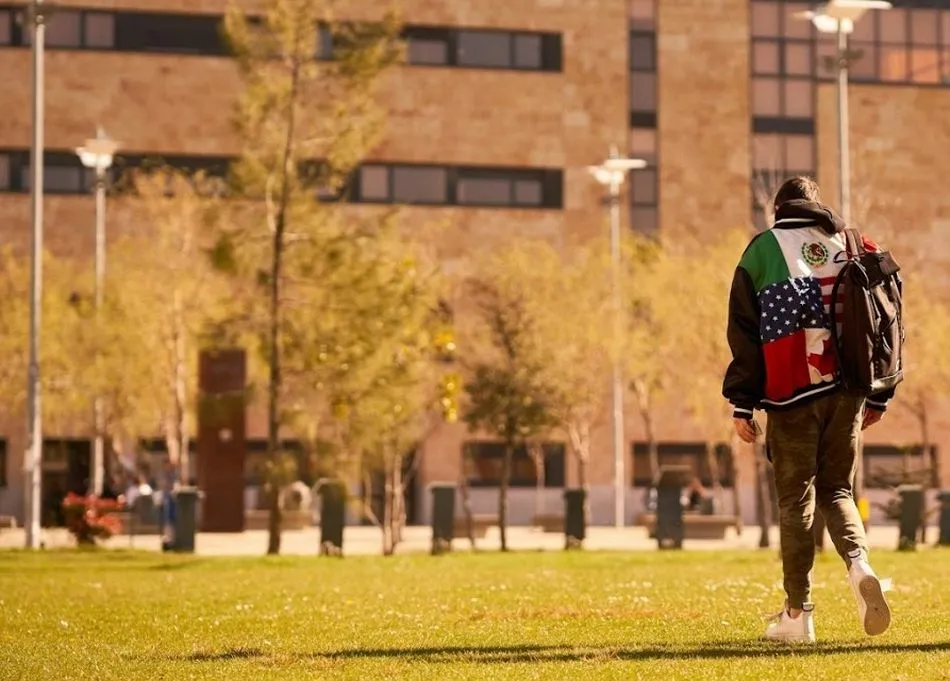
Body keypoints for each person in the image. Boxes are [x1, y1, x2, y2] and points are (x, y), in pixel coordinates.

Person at [722, 176, 893, 643]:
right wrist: (879, 392)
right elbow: (887, 317)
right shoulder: (856, 244)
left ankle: (798, 614)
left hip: (791, 393)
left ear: (778, 208)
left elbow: (744, 332)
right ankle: (860, 566)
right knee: (837, 488)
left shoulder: (762, 250)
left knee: (795, 499)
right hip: (850, 390)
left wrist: (742, 403)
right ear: (818, 205)